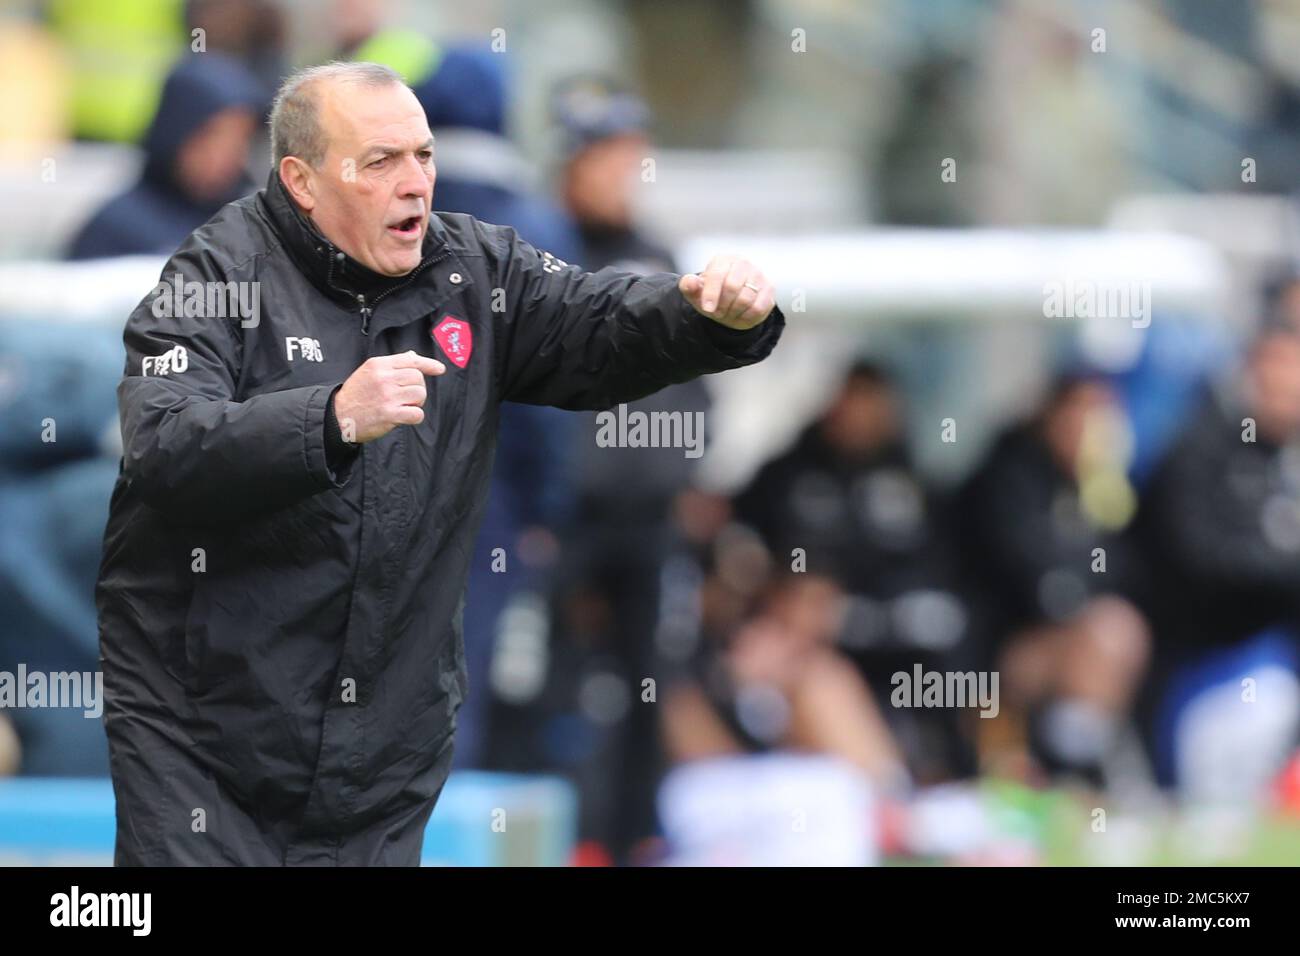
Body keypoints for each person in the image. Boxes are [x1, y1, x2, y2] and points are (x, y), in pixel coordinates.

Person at [95, 61, 784, 866]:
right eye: (380, 161)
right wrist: (329, 418)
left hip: (382, 742)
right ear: (302, 181)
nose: (414, 182)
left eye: (422, 156)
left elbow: (597, 325)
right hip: (201, 733)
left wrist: (707, 316)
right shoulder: (215, 275)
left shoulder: (474, 273)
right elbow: (165, 440)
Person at [959, 373, 1150, 787]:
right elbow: (1041, 588)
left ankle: (1082, 765)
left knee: (1115, 629)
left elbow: (1127, 579)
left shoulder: (1103, 487)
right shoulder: (1009, 480)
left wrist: (1101, 496)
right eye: (1083, 414)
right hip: (994, 660)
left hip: (1077, 644)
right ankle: (1073, 772)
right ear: (1055, 415)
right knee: (1105, 632)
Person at [66, 53, 264, 260]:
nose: (232, 154)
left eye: (242, 137)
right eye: (214, 135)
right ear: (176, 131)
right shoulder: (114, 229)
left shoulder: (251, 225)